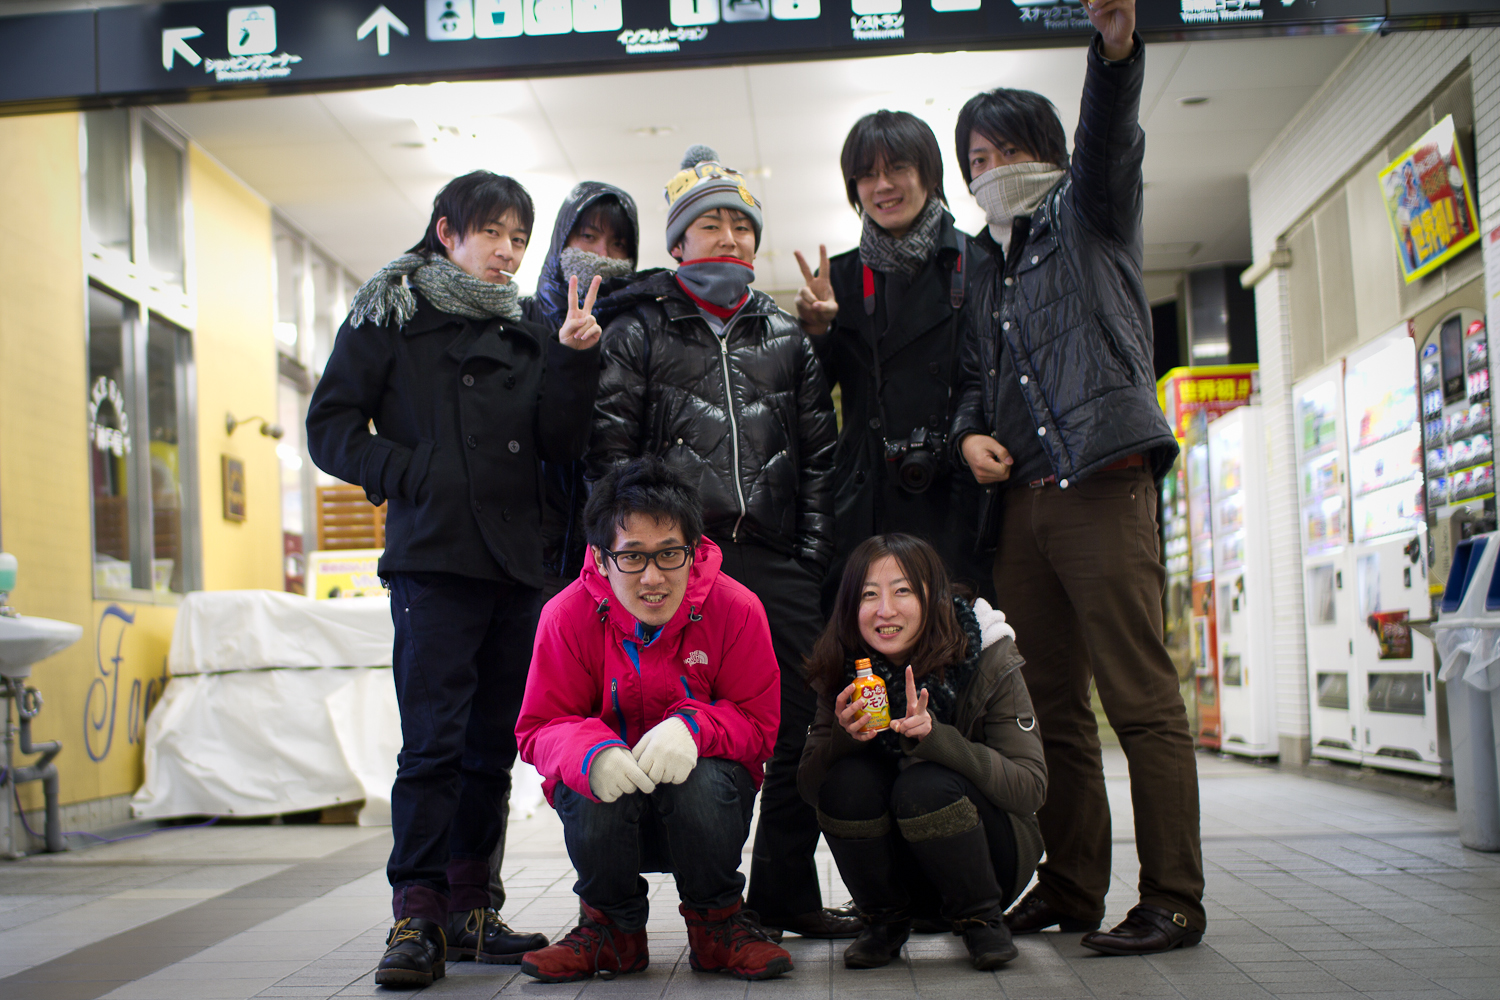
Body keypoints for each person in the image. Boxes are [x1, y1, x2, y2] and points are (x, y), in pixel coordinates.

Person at [950, 0, 1205, 956]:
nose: (988, 170)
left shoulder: (1090, 210)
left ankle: (1174, 896)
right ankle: (1071, 885)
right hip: (1023, 506)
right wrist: (974, 436)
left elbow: (1111, 132)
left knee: (1139, 697)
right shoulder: (984, 263)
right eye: (972, 159)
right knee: (1050, 704)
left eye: (1002, 150)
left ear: (1046, 151)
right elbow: (980, 380)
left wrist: (1114, 47)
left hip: (1104, 480)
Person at [306, 170, 603, 988]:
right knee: (432, 748)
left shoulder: (533, 326)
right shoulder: (391, 312)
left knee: (488, 750)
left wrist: (576, 363)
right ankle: (417, 917)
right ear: (447, 232)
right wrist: (413, 470)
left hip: (518, 564)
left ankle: (473, 909)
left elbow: (559, 443)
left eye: (518, 236)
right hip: (434, 556)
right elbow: (328, 426)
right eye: (492, 233)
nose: (507, 251)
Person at [588, 146, 857, 941]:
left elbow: (821, 460)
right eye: (712, 224)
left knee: (802, 724)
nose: (732, 239)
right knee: (679, 720)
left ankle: (784, 891)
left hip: (776, 562)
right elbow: (611, 457)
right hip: (676, 564)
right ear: (678, 244)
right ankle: (693, 894)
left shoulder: (785, 334)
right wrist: (639, 559)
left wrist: (808, 558)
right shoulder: (637, 331)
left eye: (744, 225)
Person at [515, 457, 793, 983]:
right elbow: (538, 728)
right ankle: (610, 932)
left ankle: (718, 926)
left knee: (706, 777)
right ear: (600, 558)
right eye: (633, 558)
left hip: (707, 808)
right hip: (609, 817)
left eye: (670, 555)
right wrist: (589, 753)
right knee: (587, 780)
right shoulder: (566, 616)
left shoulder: (737, 608)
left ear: (694, 549)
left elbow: (760, 725)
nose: (653, 577)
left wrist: (694, 728)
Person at [799, 534, 1044, 971]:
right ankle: (882, 922)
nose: (884, 611)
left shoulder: (986, 652)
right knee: (846, 782)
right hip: (897, 872)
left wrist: (940, 742)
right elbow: (811, 789)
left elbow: (1030, 788)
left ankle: (981, 922)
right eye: (868, 595)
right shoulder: (843, 664)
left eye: (903, 591)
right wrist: (842, 737)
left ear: (933, 596)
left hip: (989, 860)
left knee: (925, 783)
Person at [792, 112, 993, 605]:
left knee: (954, 644)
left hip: (953, 494)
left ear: (928, 173)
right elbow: (812, 401)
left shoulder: (979, 264)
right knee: (867, 652)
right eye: (866, 175)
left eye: (897, 168)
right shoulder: (836, 278)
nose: (882, 186)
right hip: (866, 500)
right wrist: (816, 331)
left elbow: (987, 378)